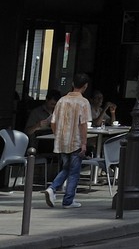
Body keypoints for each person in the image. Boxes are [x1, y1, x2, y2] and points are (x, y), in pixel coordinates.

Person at [45, 73, 91, 209]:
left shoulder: (61, 101)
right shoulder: (83, 102)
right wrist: (84, 143)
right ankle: (67, 199)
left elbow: (53, 121)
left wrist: (57, 134)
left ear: (72, 84)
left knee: (67, 167)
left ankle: (53, 189)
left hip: (62, 140)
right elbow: (83, 124)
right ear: (85, 86)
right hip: (75, 140)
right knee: (74, 171)